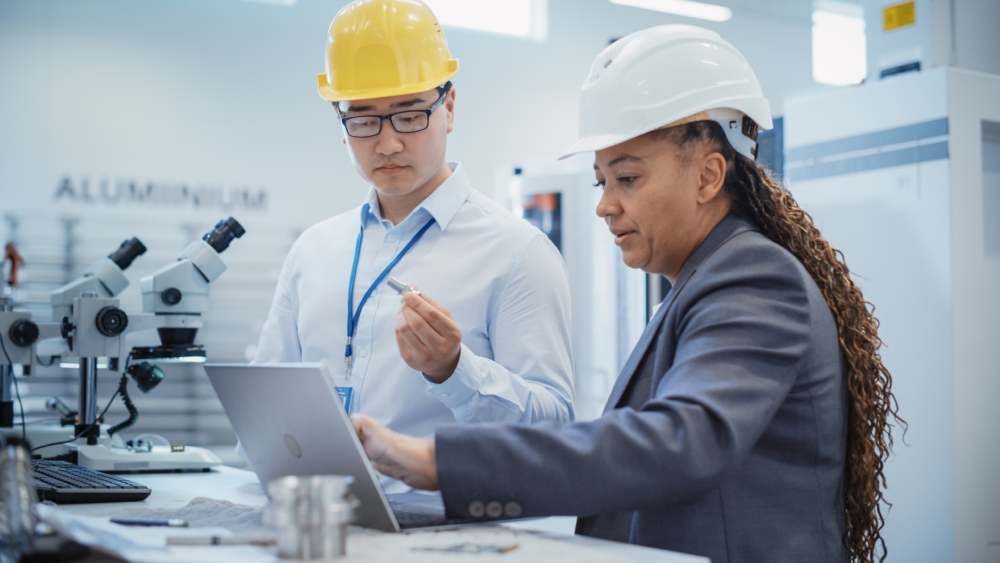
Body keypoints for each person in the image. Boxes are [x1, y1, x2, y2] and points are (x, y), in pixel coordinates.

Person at [350, 25, 903, 563]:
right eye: (601, 181)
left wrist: (440, 463)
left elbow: (680, 442)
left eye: (628, 179)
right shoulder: (703, 281)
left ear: (710, 175)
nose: (605, 205)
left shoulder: (753, 276)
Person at [250, 0, 575, 488]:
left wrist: (454, 370)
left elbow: (555, 431)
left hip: (448, 536)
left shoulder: (518, 254)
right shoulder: (313, 251)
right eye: (362, 119)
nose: (386, 143)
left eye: (408, 115)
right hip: (322, 521)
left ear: (448, 107)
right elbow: (265, 403)